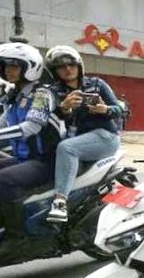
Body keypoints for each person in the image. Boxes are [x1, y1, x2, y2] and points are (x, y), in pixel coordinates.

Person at [0, 42, 60, 260]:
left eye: (14, 66)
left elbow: (31, 127)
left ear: (29, 67)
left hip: (46, 161)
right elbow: (1, 122)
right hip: (24, 158)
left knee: (4, 179)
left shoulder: (42, 94)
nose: (8, 70)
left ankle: (15, 238)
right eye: (5, 66)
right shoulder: (16, 94)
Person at [44, 46, 123, 224]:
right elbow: (49, 119)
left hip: (105, 136)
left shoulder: (97, 84)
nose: (67, 69)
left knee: (66, 148)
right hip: (78, 139)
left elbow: (122, 110)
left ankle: (60, 202)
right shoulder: (53, 92)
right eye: (61, 66)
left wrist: (106, 109)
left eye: (71, 64)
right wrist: (64, 107)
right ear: (55, 71)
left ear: (79, 66)